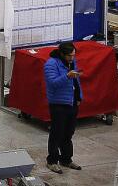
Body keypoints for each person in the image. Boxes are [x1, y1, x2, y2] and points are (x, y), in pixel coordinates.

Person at [44, 41, 82, 173]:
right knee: (57, 132)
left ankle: (66, 159)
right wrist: (67, 76)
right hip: (58, 103)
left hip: (71, 102)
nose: (72, 58)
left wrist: (79, 97)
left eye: (74, 55)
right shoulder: (51, 64)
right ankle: (52, 160)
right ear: (62, 54)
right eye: (70, 56)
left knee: (68, 132)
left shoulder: (72, 62)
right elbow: (53, 83)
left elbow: (76, 81)